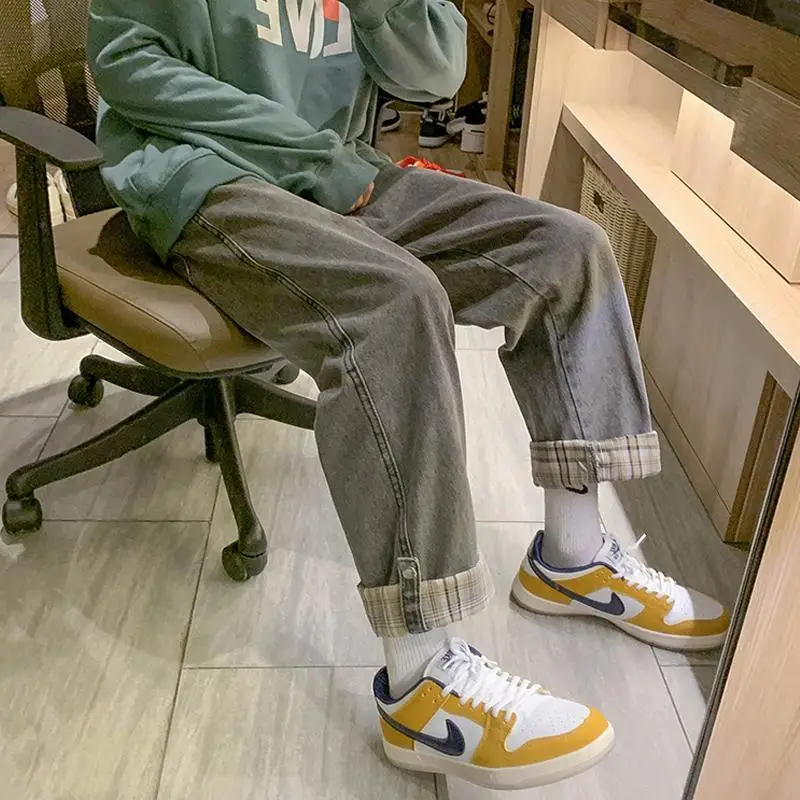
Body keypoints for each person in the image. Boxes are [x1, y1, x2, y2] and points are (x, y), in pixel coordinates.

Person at [87, 0, 729, 791]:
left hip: (340, 173)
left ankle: (574, 557)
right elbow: (125, 65)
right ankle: (423, 681)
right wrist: (313, 160)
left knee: (569, 249)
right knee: (397, 302)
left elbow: (436, 74)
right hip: (204, 175)